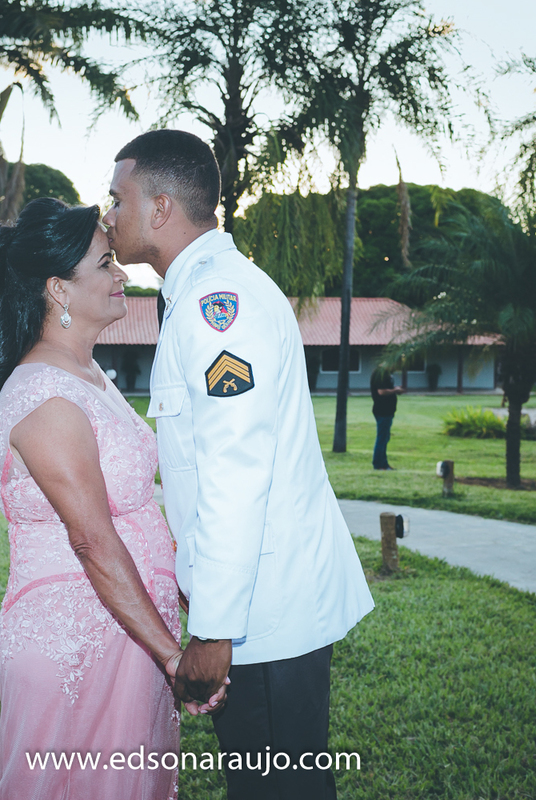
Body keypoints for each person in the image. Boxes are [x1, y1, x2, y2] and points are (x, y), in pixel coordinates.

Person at [103, 130, 374, 799]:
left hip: (264, 616)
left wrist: (215, 629)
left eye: (117, 197)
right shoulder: (200, 294)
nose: (107, 214)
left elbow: (234, 470)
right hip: (259, 603)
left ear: (160, 208)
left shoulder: (215, 306)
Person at [0, 197, 222, 800]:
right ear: (59, 289)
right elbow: (89, 536)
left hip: (128, 624)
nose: (122, 275)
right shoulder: (43, 395)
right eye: (106, 263)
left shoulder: (90, 375)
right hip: (78, 636)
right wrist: (172, 657)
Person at [370, 366, 405, 470]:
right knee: (382, 438)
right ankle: (379, 464)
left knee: (385, 438)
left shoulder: (386, 373)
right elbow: (381, 391)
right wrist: (395, 390)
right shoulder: (381, 373)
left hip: (387, 410)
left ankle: (383, 463)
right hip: (383, 410)